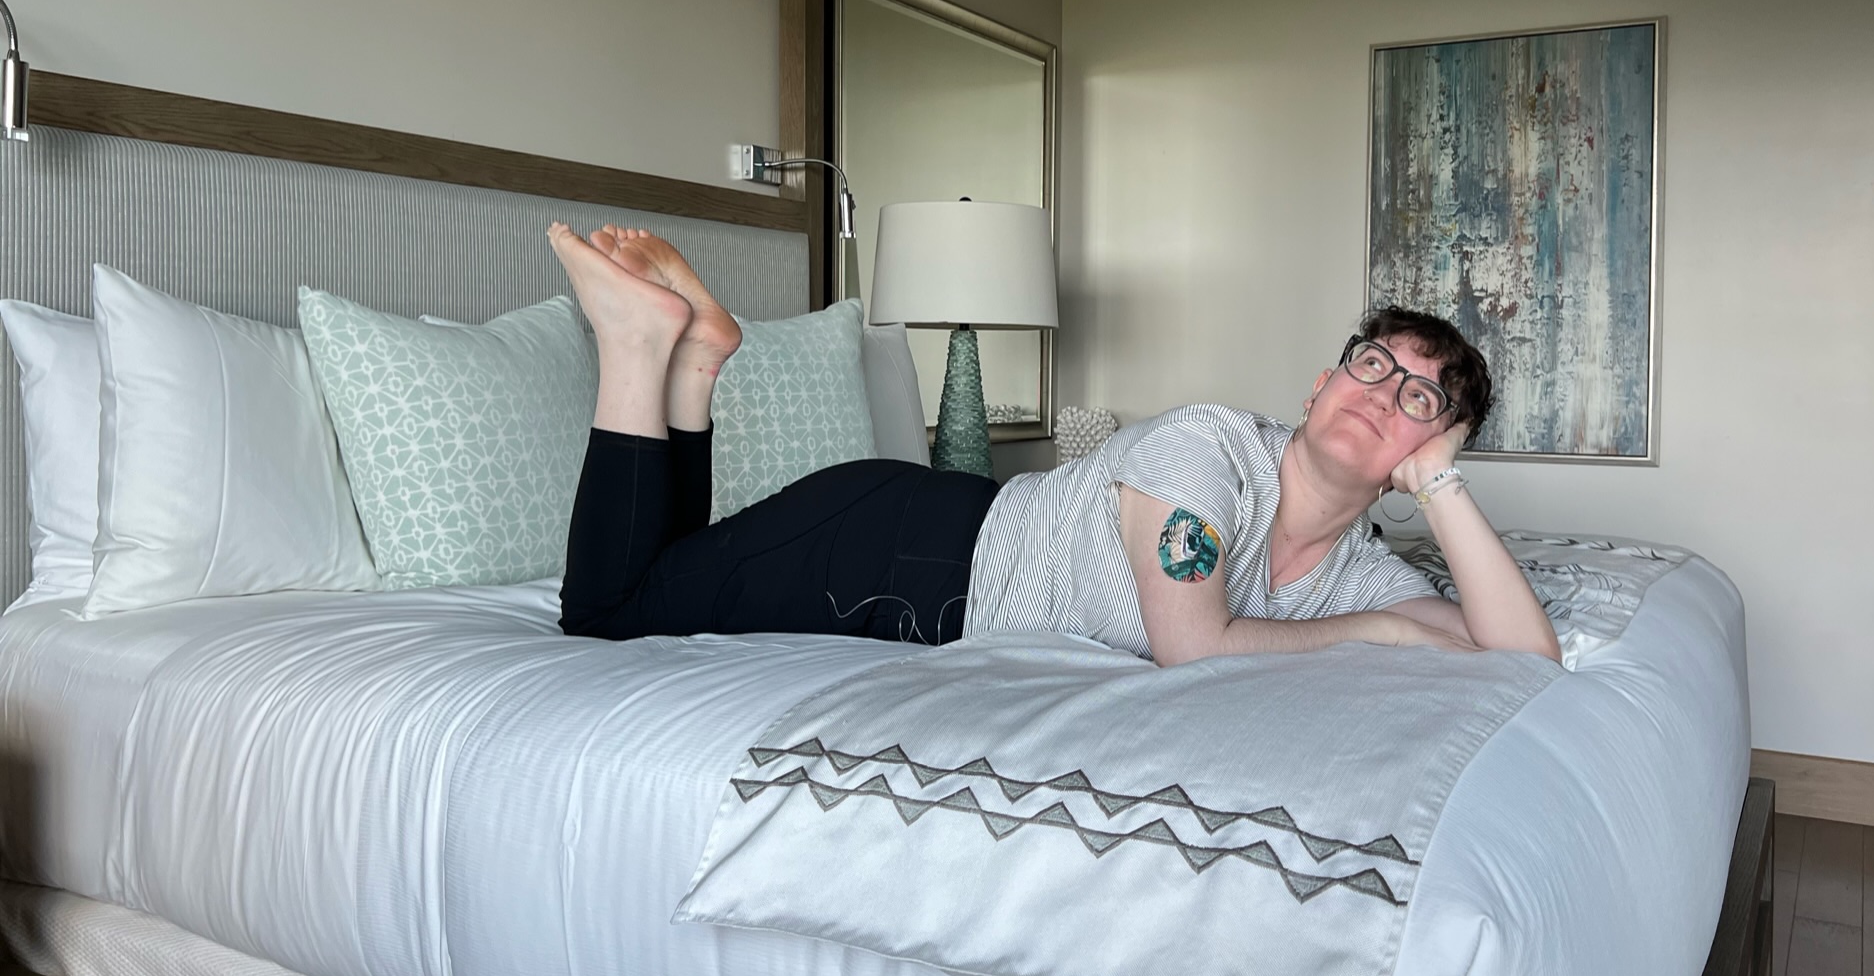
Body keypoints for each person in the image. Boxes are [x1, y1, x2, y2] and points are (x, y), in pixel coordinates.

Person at [548, 223, 1559, 665]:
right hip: (893, 553)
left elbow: (1521, 654)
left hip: (926, 573)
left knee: (668, 575)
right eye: (1371, 363)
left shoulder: (1354, 569)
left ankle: (697, 361)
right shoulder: (1207, 452)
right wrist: (1384, 635)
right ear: (1320, 385)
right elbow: (1195, 650)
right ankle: (638, 345)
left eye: (1420, 398)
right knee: (606, 616)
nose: (1382, 392)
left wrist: (1442, 489)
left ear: (1428, 453)